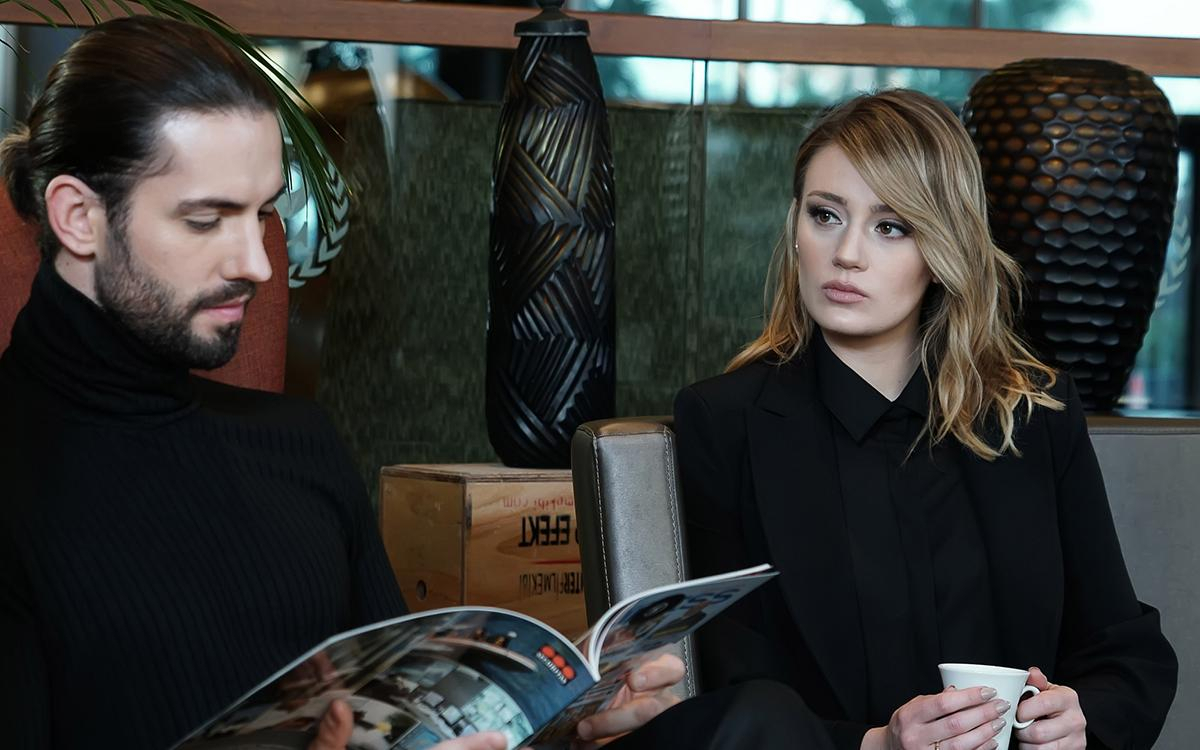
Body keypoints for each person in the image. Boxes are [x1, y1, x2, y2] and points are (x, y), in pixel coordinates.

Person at [0, 17, 685, 750]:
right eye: (205, 220)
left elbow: (404, 724)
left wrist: (564, 725)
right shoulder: (16, 481)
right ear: (79, 217)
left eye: (264, 213)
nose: (258, 264)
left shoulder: (298, 446)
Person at [674, 89, 1177, 750]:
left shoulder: (1032, 416)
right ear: (795, 226)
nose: (847, 253)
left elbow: (1125, 652)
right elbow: (720, 700)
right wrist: (875, 744)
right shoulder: (723, 422)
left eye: (891, 226)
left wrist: (1081, 719)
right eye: (826, 215)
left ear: (942, 249)